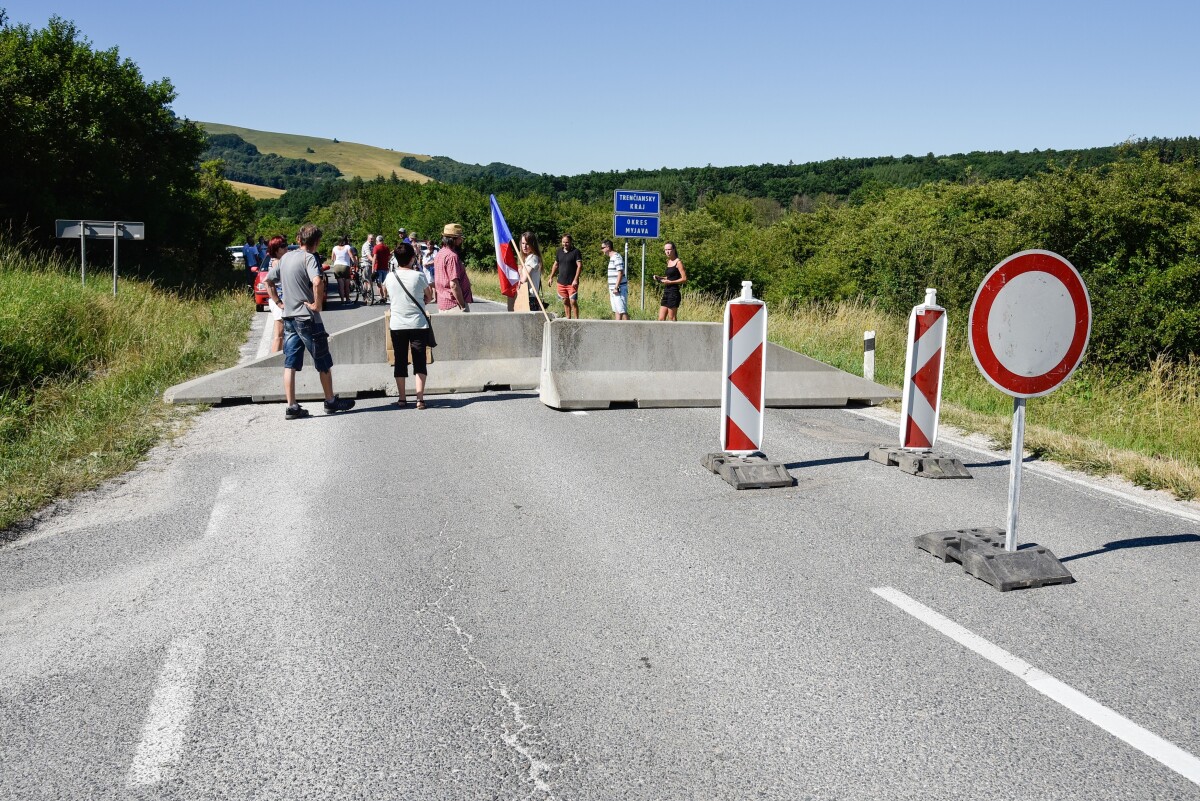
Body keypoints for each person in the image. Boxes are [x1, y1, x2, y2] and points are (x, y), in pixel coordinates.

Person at [265, 224, 355, 419]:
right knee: (322, 360)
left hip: (288, 316)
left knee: (290, 363)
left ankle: (292, 406)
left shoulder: (285, 258)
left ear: (299, 240)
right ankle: (330, 401)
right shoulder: (309, 258)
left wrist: (279, 302)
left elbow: (268, 281)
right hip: (307, 318)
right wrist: (316, 304)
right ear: (317, 242)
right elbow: (317, 281)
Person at [383, 242, 434, 409]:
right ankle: (420, 399)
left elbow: (385, 294)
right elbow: (429, 296)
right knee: (420, 360)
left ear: (396, 259)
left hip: (397, 325)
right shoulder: (419, 276)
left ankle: (402, 398)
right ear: (413, 258)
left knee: (400, 360)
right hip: (418, 324)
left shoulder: (390, 277)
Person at [434, 223, 473, 312]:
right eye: (460, 238)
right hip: (454, 304)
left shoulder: (440, 253)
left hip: (443, 303)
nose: (461, 241)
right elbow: (454, 284)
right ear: (453, 239)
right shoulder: (452, 256)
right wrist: (462, 305)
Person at [263, 235, 289, 353]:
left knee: (282, 335)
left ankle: (279, 358)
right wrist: (278, 302)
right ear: (276, 249)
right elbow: (267, 283)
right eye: (283, 246)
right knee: (278, 335)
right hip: (279, 300)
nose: (286, 247)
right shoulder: (276, 263)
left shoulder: (279, 261)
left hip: (281, 300)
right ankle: (273, 361)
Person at [654, 241, 688, 321]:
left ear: (674, 250)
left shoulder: (678, 262)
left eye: (669, 249)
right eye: (665, 250)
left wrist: (671, 282)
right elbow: (670, 277)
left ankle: (675, 333)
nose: (667, 252)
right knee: (661, 318)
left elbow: (684, 279)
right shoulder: (668, 261)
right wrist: (660, 278)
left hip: (674, 292)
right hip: (666, 291)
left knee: (672, 318)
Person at [552, 235, 582, 319]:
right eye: (563, 242)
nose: (565, 244)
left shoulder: (576, 252)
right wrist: (551, 277)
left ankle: (576, 320)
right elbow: (555, 265)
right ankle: (568, 318)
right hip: (561, 281)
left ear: (571, 242)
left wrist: (576, 279)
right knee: (565, 301)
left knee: (573, 301)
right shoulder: (559, 251)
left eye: (567, 242)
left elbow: (579, 266)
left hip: (572, 282)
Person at [513, 231, 543, 312]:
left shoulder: (532, 258)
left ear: (533, 245)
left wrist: (520, 268)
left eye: (527, 244)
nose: (524, 246)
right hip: (527, 296)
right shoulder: (527, 258)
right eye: (523, 243)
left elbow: (524, 279)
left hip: (529, 298)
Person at [600, 239, 628, 320]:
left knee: (622, 311)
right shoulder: (612, 258)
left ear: (608, 247)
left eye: (603, 248)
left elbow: (620, 272)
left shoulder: (616, 257)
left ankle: (631, 330)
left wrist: (616, 287)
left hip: (619, 289)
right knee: (617, 310)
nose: (602, 250)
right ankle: (618, 329)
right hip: (614, 289)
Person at [329, 236, 355, 304]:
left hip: (337, 266)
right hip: (345, 266)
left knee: (340, 285)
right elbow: (351, 256)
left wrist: (336, 262)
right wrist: (354, 263)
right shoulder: (347, 247)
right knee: (346, 285)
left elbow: (332, 258)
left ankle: (342, 301)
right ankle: (347, 300)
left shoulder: (334, 248)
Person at [372, 235, 391, 304]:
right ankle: (385, 296)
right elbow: (389, 257)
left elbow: (374, 258)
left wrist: (373, 268)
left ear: (377, 241)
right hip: (385, 267)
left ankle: (382, 297)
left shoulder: (376, 247)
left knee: (379, 283)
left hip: (378, 267)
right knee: (384, 283)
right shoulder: (386, 247)